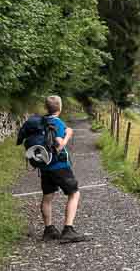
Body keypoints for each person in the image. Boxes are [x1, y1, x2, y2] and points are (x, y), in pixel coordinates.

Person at [39, 95, 87, 243]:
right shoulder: (57, 123)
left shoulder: (41, 121)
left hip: (45, 166)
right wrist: (68, 136)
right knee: (74, 193)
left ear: (46, 108)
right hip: (59, 166)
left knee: (48, 196)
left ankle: (49, 229)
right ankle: (68, 229)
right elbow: (59, 146)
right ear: (59, 108)